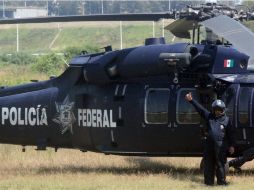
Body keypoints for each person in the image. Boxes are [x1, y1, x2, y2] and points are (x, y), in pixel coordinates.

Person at [185, 92, 235, 186]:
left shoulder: (227, 120)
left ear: (223, 110)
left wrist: (232, 145)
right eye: (216, 109)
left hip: (220, 147)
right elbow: (201, 110)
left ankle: (221, 183)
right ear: (213, 110)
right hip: (209, 146)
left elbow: (231, 134)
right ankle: (208, 184)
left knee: (220, 165)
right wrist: (191, 101)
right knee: (208, 165)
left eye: (219, 110)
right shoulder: (209, 117)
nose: (217, 111)